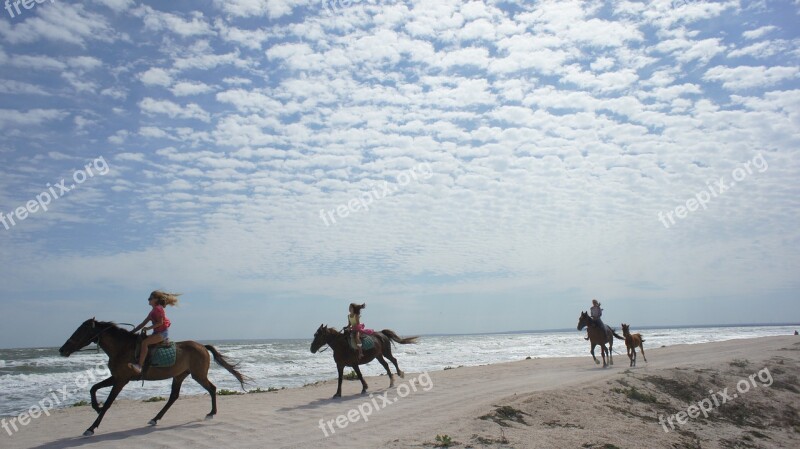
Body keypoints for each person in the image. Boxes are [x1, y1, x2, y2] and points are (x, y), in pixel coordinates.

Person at [128, 291, 179, 374]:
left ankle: (139, 366)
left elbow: (160, 323)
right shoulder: (152, 311)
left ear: (156, 300)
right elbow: (142, 324)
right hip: (157, 332)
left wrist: (148, 328)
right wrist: (132, 332)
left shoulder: (158, 309)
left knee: (145, 343)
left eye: (150, 298)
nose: (148, 300)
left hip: (162, 333)